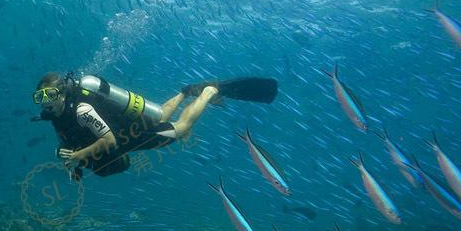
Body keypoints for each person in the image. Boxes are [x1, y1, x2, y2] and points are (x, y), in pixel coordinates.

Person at [32, 72, 277, 179]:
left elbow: (108, 141)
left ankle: (210, 91)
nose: (46, 102)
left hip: (128, 137)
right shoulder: (57, 116)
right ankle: (186, 92)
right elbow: (70, 139)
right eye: (40, 97)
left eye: (50, 95)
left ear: (62, 93)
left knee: (181, 129)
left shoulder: (82, 110)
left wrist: (78, 156)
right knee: (159, 114)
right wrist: (74, 165)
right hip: (124, 126)